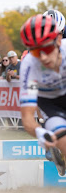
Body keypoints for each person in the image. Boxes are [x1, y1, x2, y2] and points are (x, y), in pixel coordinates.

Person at [19, 14, 66, 160]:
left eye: (46, 49)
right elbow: (27, 115)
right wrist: (39, 131)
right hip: (51, 106)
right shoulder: (29, 66)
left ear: (59, 39)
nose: (42, 57)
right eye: (35, 51)